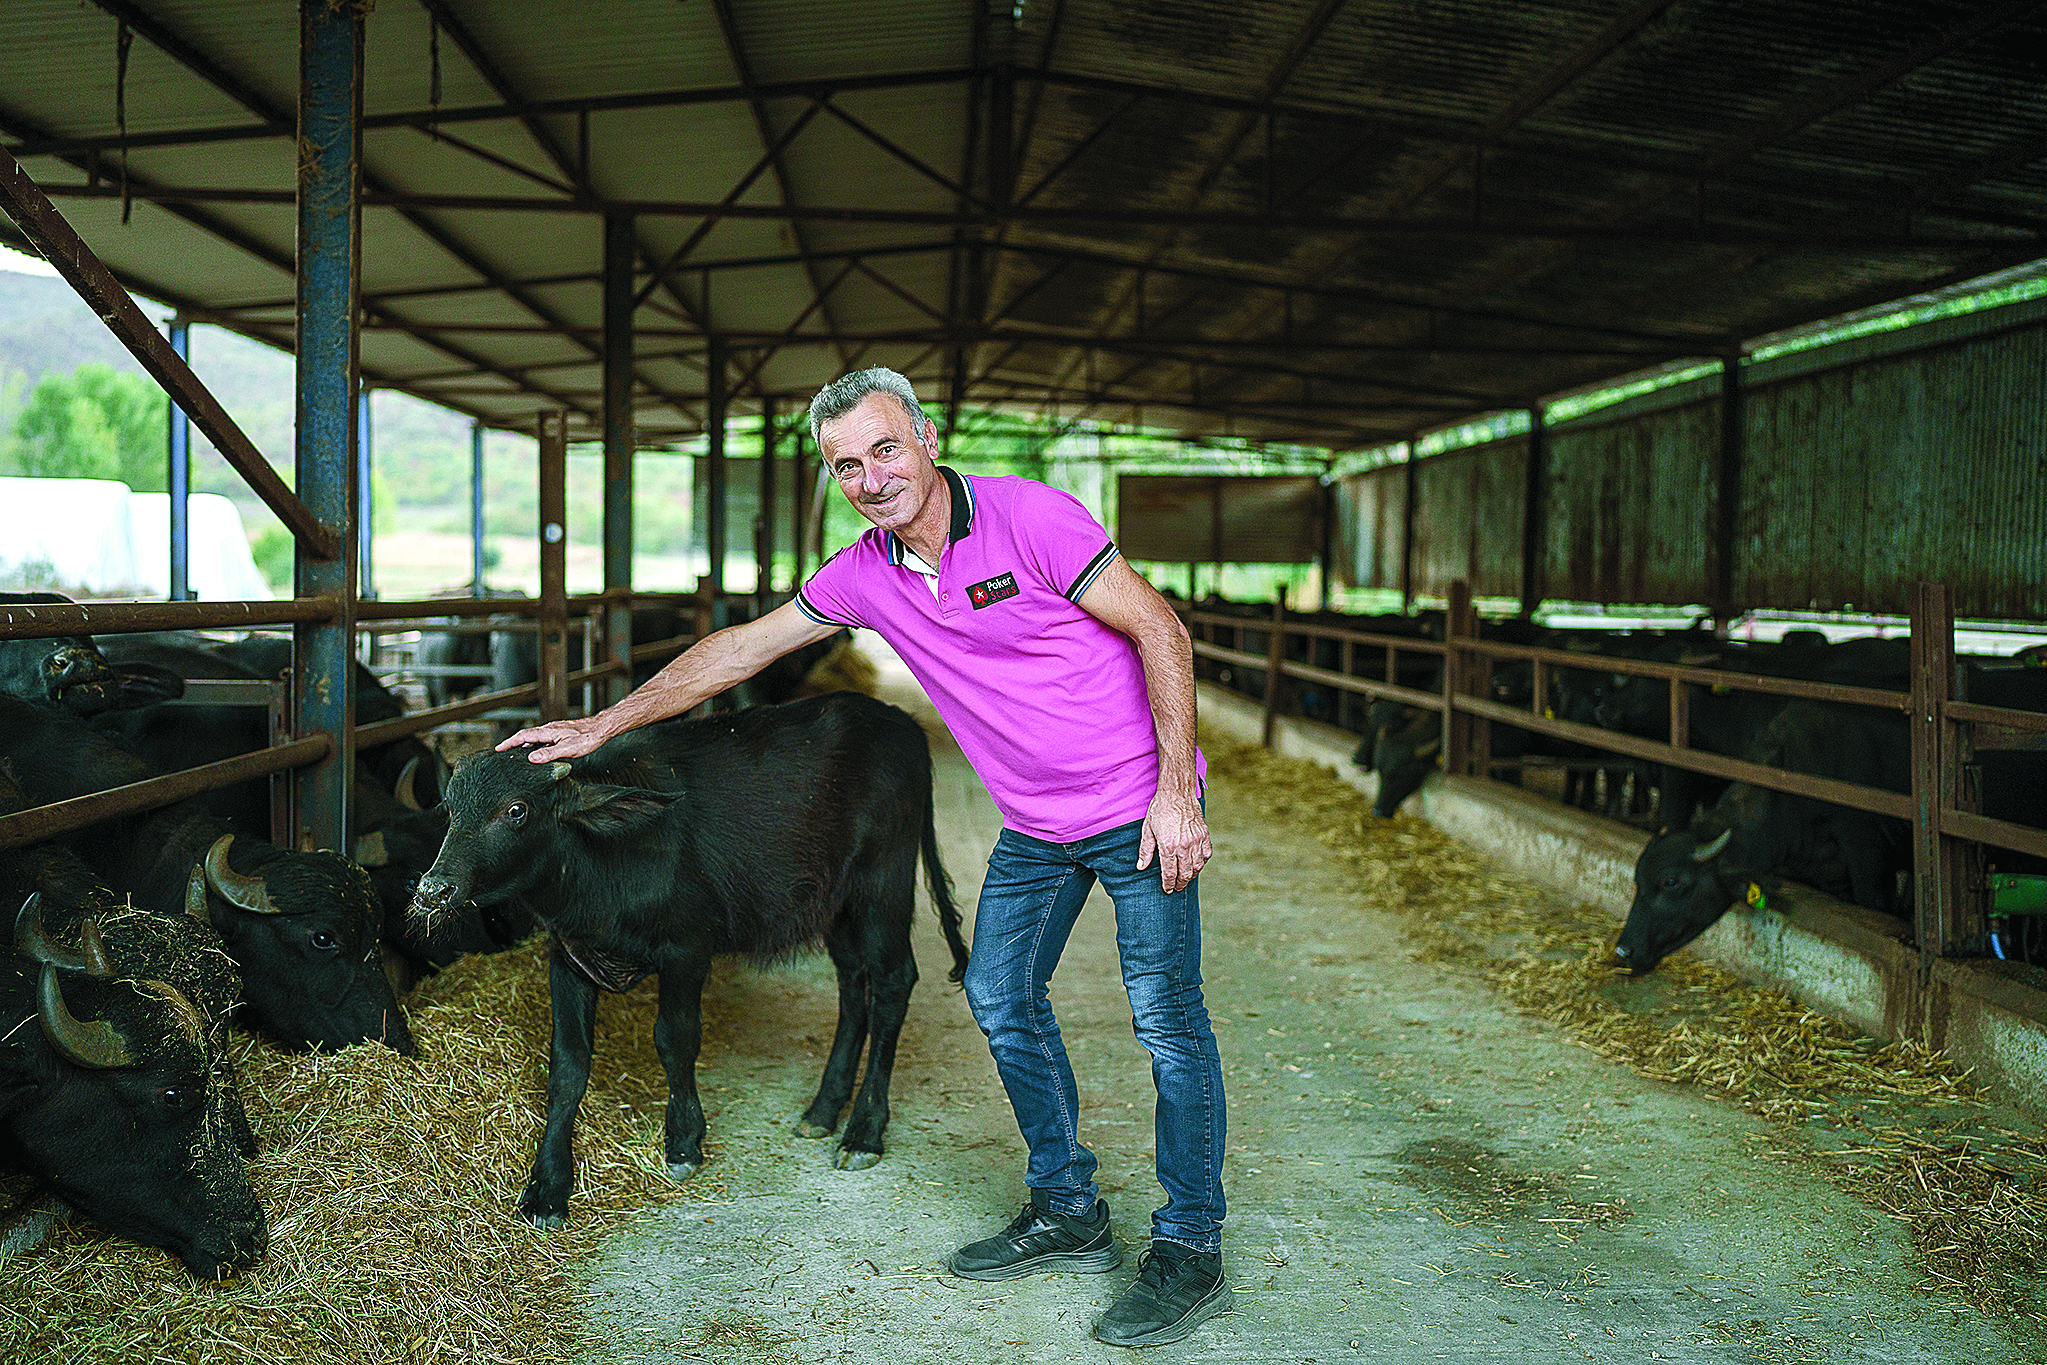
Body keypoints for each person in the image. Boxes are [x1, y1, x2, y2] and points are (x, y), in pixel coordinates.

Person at [498, 367, 1230, 1348]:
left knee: (1166, 1025)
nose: (870, 477)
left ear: (926, 437)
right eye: (846, 465)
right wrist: (605, 722)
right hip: (1036, 827)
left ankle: (1188, 1248)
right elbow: (741, 651)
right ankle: (1068, 1208)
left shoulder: (1035, 519)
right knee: (1002, 998)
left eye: (884, 449)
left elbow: (1158, 629)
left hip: (1138, 808)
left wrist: (1177, 791)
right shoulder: (865, 573)